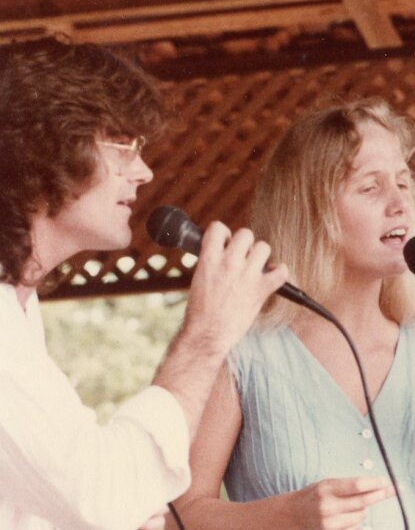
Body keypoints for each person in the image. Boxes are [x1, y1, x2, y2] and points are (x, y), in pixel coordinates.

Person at [172, 98, 415, 529]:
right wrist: (284, 516)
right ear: (313, 213)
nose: (400, 205)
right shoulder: (243, 350)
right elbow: (176, 519)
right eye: (370, 187)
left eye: (402, 182)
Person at [0, 37, 289, 529]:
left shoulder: (18, 309)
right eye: (124, 145)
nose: (144, 171)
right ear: (46, 148)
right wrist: (206, 337)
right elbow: (101, 495)